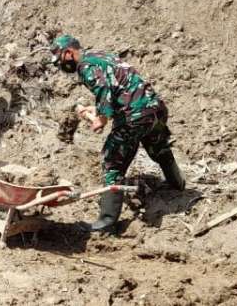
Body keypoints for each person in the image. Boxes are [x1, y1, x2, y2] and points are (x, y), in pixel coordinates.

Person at [50, 35, 184, 234]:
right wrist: (95, 110)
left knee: (112, 161)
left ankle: (106, 222)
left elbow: (104, 89)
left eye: (61, 59)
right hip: (153, 108)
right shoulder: (98, 55)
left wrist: (101, 119)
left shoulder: (85, 66)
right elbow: (117, 87)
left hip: (134, 116)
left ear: (68, 53)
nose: (61, 64)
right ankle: (178, 184)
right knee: (157, 147)